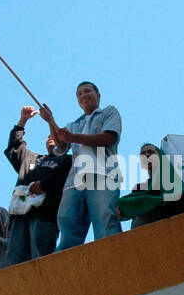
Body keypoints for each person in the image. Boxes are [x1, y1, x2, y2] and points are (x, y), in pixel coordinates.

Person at [39, 83, 123, 249]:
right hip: (74, 182)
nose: (83, 95)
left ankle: (113, 261)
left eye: (87, 91)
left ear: (98, 95)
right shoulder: (74, 124)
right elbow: (61, 147)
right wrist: (51, 121)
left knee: (105, 221)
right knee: (68, 222)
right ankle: (66, 268)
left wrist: (74, 137)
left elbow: (108, 138)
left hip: (103, 175)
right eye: (79, 94)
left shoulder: (109, 112)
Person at [4, 105, 71, 264]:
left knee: (42, 259)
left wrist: (45, 185)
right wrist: (23, 120)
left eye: (56, 135)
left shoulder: (68, 161)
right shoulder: (31, 159)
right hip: (20, 216)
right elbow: (14, 148)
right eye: (49, 135)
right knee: (15, 261)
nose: (51, 137)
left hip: (45, 216)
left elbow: (65, 182)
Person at [118, 144, 184, 229]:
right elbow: (131, 205)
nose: (147, 155)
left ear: (160, 156)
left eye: (151, 152)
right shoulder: (138, 189)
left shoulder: (176, 179)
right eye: (143, 154)